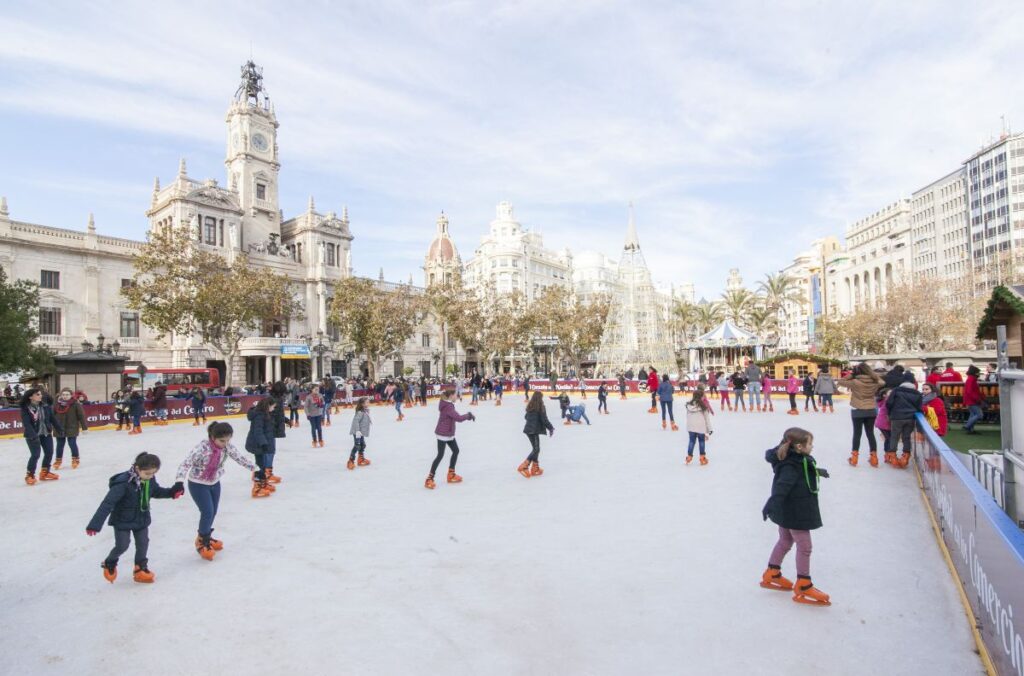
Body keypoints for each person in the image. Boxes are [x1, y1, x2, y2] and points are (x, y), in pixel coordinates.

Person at [86, 452, 184, 583]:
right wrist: (95, 524)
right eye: (147, 474)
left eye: (153, 473)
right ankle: (110, 562)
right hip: (122, 520)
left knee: (143, 543)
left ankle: (140, 569)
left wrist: (171, 493)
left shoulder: (149, 480)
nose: (150, 477)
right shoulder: (123, 483)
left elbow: (156, 491)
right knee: (122, 545)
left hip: (141, 518)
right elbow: (107, 503)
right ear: (137, 468)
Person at [760, 427, 830, 606]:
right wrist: (771, 503)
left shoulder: (796, 460)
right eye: (810, 444)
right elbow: (782, 486)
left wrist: (816, 471)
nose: (812, 447)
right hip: (795, 511)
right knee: (805, 546)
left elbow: (800, 472)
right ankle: (804, 584)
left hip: (787, 510)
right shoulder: (792, 465)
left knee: (785, 541)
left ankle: (772, 572)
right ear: (799, 446)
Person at [176, 421, 257, 560]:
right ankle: (202, 542)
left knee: (213, 511)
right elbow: (186, 463)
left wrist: (255, 469)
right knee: (207, 511)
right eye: (222, 440)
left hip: (215, 482)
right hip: (198, 483)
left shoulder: (226, 447)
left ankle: (206, 535)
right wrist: (179, 482)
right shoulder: (202, 448)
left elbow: (239, 457)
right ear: (212, 437)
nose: (225, 443)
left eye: (227, 440)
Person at [426, 388, 475, 489]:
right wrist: (468, 415)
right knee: (440, 455)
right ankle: (429, 479)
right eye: (455, 395)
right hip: (443, 434)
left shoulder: (448, 404)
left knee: (456, 451)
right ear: (451, 396)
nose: (457, 397)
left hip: (448, 433)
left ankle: (451, 474)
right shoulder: (448, 407)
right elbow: (459, 418)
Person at [838, 363, 884, 467]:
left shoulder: (855, 382)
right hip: (871, 410)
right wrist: (873, 375)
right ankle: (874, 458)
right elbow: (883, 382)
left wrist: (851, 374)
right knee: (870, 433)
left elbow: (841, 381)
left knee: (857, 434)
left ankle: (854, 458)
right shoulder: (875, 381)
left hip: (857, 411)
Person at [21, 387, 64, 485]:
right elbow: (27, 424)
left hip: (46, 433)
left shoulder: (45, 406)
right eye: (38, 394)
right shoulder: (26, 409)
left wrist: (59, 429)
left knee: (49, 452)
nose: (41, 396)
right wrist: (33, 436)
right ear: (30, 397)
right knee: (35, 455)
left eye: (40, 394)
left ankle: (45, 472)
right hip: (33, 435)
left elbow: (52, 419)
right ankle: (30, 475)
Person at [885, 373, 923, 468]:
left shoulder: (896, 390)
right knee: (906, 437)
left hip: (896, 417)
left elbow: (889, 403)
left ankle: (893, 456)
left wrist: (890, 413)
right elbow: (919, 408)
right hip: (910, 418)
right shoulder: (917, 393)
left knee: (894, 436)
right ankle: (905, 457)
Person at [244, 397, 277, 498]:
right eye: (273, 407)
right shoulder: (259, 416)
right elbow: (258, 431)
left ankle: (263, 483)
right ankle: (257, 489)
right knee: (260, 466)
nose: (274, 409)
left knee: (262, 465)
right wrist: (263, 443)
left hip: (260, 444)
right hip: (257, 444)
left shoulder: (265, 414)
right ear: (267, 406)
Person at [519, 391, 555, 478]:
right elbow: (544, 419)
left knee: (536, 449)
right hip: (534, 430)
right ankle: (524, 466)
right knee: (536, 449)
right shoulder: (541, 407)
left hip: (528, 429)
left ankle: (535, 468)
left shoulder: (530, 405)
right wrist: (551, 428)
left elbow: (526, 417)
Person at [53, 387, 88, 470]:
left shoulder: (76, 404)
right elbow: (52, 416)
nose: (65, 396)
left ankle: (75, 459)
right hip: (59, 428)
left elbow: (81, 416)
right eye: (63, 394)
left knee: (72, 444)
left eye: (67, 394)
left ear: (71, 395)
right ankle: (58, 460)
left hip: (72, 427)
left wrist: (84, 428)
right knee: (59, 445)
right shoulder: (56, 404)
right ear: (61, 395)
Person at [685, 387, 714, 465]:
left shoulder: (688, 405)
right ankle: (702, 457)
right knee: (701, 441)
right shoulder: (703, 406)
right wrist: (710, 429)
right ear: (701, 397)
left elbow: (687, 416)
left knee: (691, 441)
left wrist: (689, 425)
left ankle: (689, 456)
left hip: (691, 427)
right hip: (700, 427)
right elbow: (707, 419)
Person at [348, 397, 372, 470]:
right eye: (367, 402)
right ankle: (351, 461)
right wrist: (357, 431)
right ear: (362, 404)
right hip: (357, 432)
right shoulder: (360, 412)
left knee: (363, 445)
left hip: (361, 432)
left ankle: (361, 459)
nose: (368, 403)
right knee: (357, 445)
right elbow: (355, 421)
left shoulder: (365, 411)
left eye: (368, 402)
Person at [962, 365, 984, 435]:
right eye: (978, 372)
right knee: (979, 415)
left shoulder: (970, 379)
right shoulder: (971, 379)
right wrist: (977, 399)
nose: (978, 374)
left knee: (973, 414)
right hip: (972, 400)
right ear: (974, 373)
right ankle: (967, 426)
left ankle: (971, 430)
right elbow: (970, 391)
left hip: (970, 400)